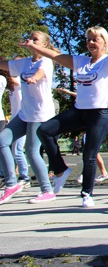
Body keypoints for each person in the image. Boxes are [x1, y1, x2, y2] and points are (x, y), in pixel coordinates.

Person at [24, 28, 108, 207]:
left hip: (100, 113)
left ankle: (87, 193)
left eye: (95, 39)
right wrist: (32, 45)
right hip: (80, 111)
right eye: (88, 40)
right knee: (44, 131)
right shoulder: (80, 61)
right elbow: (54, 55)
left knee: (89, 155)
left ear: (104, 42)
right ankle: (61, 169)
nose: (91, 43)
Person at [0, 31, 58, 204]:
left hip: (40, 113)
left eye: (35, 39)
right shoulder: (25, 62)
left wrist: (34, 78)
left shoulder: (46, 61)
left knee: (32, 152)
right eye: (30, 38)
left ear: (45, 45)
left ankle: (47, 190)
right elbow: (5, 65)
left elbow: (41, 73)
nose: (31, 41)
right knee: (2, 141)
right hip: (24, 113)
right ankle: (11, 184)